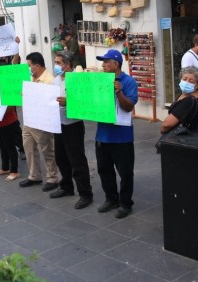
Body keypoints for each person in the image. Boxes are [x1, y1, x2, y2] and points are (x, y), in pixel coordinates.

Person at [95, 49, 138, 219]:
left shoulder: (128, 82)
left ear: (116, 64)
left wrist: (119, 92)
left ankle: (126, 203)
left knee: (125, 172)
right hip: (102, 135)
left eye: (106, 62)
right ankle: (111, 198)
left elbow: (129, 107)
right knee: (104, 170)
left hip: (122, 137)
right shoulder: (99, 80)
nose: (103, 65)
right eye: (103, 62)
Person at [52, 50, 93, 209]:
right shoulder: (56, 80)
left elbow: (85, 101)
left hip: (73, 126)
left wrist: (68, 102)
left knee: (77, 161)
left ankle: (85, 193)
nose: (56, 66)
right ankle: (66, 186)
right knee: (61, 158)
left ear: (67, 65)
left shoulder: (76, 80)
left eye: (58, 63)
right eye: (55, 62)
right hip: (58, 124)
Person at [19, 52, 59, 191]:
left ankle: (52, 178)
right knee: (28, 147)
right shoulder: (31, 78)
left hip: (42, 122)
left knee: (47, 149)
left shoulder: (49, 80)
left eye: (29, 65)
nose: (28, 68)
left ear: (36, 66)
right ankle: (34, 175)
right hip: (29, 120)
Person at [160, 67, 198, 134]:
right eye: (185, 79)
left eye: (191, 81)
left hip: (181, 137)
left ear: (197, 85)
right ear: (180, 79)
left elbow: (167, 124)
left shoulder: (188, 101)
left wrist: (163, 130)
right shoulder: (186, 94)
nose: (186, 82)